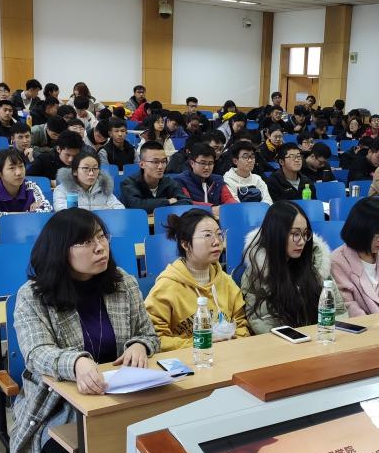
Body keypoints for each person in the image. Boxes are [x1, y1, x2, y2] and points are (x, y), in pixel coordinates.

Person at [10, 209, 160, 453]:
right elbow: (36, 353)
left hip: (119, 394)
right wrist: (75, 362)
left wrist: (140, 345)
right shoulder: (33, 295)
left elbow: (148, 333)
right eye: (86, 242)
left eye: (102, 237)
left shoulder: (122, 283)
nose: (100, 247)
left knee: (161, 438)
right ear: (60, 250)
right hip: (55, 403)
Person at [145, 209, 251, 350]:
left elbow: (242, 325)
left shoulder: (226, 281)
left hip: (227, 355)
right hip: (188, 359)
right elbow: (154, 338)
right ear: (185, 244)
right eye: (207, 235)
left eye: (219, 234)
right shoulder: (166, 286)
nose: (217, 242)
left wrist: (232, 340)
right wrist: (200, 343)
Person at [238, 201, 345, 334]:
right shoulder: (256, 273)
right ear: (277, 234)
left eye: (305, 233)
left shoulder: (317, 264)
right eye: (295, 234)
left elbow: (339, 311)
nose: (302, 241)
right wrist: (301, 339)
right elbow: (262, 322)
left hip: (323, 338)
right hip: (284, 343)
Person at [329, 198, 379, 317]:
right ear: (360, 229)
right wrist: (378, 323)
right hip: (362, 326)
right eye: (378, 233)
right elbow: (347, 307)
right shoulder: (338, 261)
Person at [0, 149, 53, 223]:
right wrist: (30, 214)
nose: (19, 173)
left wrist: (3, 215)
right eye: (11, 168)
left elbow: (47, 212)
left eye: (21, 166)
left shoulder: (32, 186)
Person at [120, 140, 191, 211]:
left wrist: (152, 205)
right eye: (155, 162)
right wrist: (168, 201)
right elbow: (137, 205)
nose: (160, 167)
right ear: (142, 164)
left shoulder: (169, 182)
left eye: (163, 161)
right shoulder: (129, 183)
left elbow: (186, 202)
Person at [53, 152, 124, 211]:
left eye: (95, 168)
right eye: (86, 168)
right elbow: (61, 211)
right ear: (75, 171)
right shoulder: (62, 190)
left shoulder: (103, 188)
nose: (91, 173)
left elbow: (120, 208)